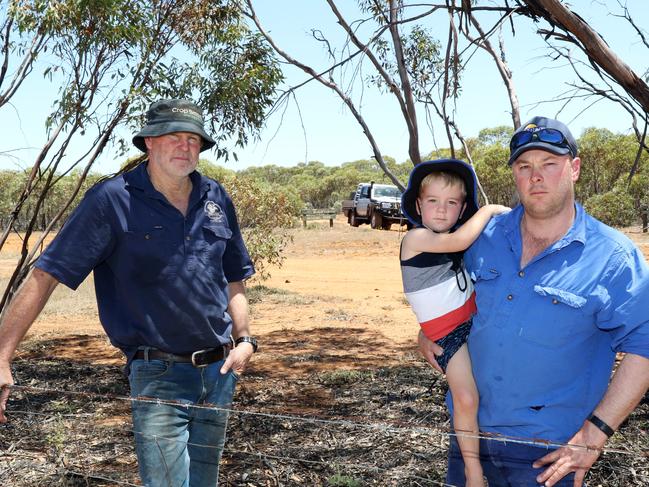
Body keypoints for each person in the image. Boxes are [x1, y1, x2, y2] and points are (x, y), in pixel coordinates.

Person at [0, 99, 259, 486]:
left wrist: (245, 340)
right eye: (174, 136)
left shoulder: (215, 198)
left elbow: (234, 276)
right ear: (149, 142)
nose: (185, 147)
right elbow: (46, 275)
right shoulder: (112, 200)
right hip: (159, 375)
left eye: (193, 139)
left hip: (220, 372)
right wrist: (2, 355)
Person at [418, 117, 649, 487]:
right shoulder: (481, 237)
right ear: (514, 175)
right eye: (524, 166)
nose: (535, 176)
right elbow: (449, 296)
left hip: (548, 456)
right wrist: (427, 332)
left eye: (549, 164)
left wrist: (594, 435)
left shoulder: (613, 258)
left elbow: (644, 346)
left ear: (574, 169)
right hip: (468, 439)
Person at [400, 159, 510, 487]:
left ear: (461, 208)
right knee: (466, 398)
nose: (441, 210)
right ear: (418, 205)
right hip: (449, 335)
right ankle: (473, 471)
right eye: (432, 201)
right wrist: (488, 211)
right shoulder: (416, 239)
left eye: (451, 203)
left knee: (480, 391)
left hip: (472, 323)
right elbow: (459, 241)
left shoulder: (451, 245)